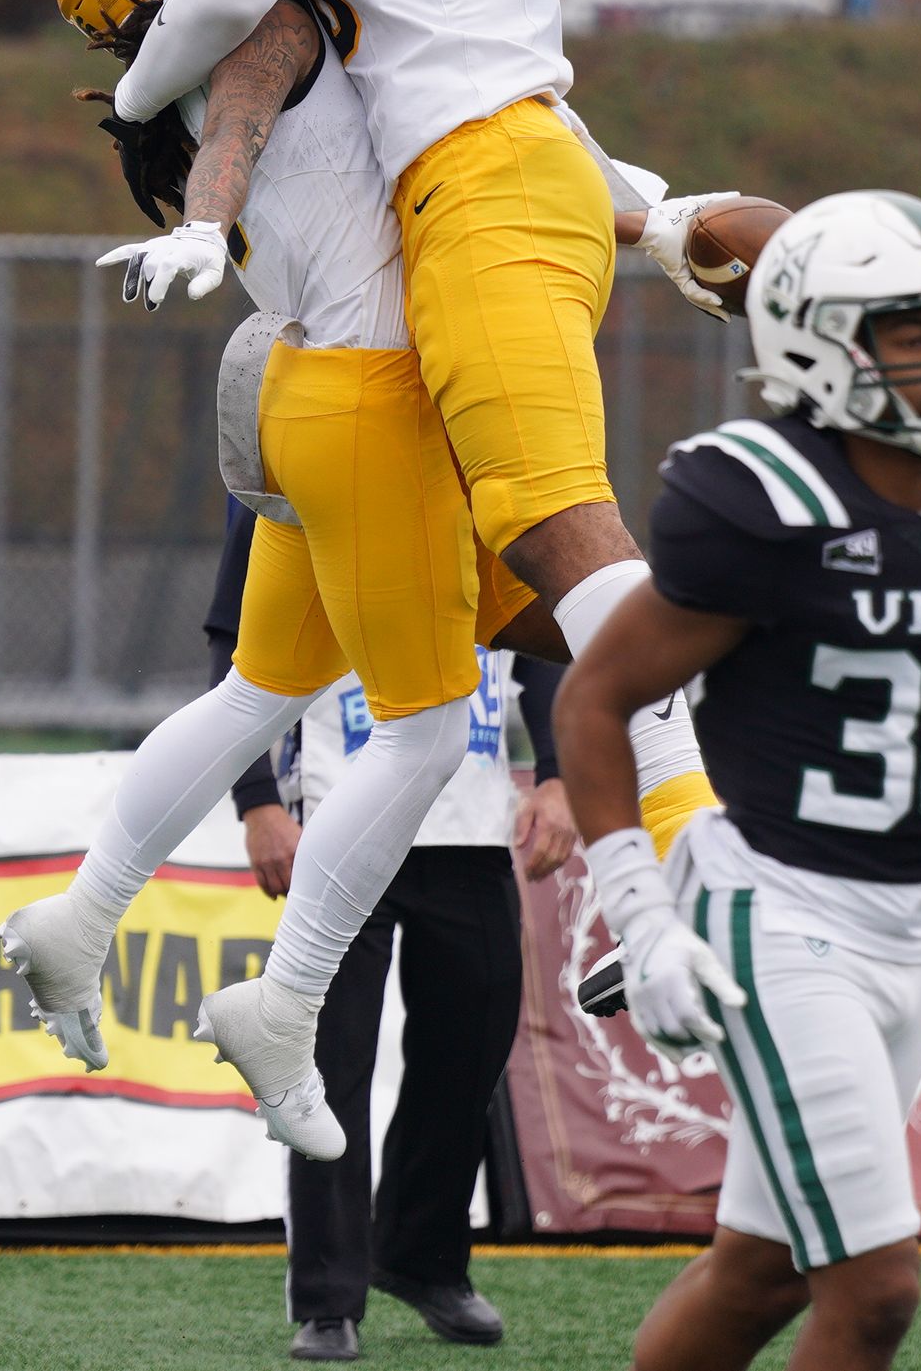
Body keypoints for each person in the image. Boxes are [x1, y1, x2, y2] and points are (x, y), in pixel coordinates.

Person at [0, 0, 737, 1162]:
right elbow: (257, 98)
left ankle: (80, 918)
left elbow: (441, 122)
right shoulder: (256, 22)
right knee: (425, 725)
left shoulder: (180, 63)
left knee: (262, 688)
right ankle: (283, 1002)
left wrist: (647, 213)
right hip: (376, 402)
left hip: (315, 387)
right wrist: (212, 215)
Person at [44, 0, 745, 911]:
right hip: (484, 186)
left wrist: (135, 94)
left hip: (485, 185)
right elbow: (441, 50)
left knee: (535, 534)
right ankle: (680, 824)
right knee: (475, 608)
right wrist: (653, 217)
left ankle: (685, 854)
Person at [554, 192, 921, 1371]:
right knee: (876, 1290)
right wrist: (641, 917)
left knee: (764, 1270)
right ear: (818, 344)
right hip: (776, 916)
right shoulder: (764, 502)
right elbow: (593, 698)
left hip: (906, 925)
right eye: (914, 333)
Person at [199, 500, 561, 1363]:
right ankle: (328, 1298)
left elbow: (547, 634)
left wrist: (555, 772)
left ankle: (424, 1257)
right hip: (339, 821)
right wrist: (255, 797)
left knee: (470, 1048)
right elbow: (232, 635)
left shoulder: (494, 454)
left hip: (470, 827)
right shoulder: (298, 447)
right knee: (328, 1065)